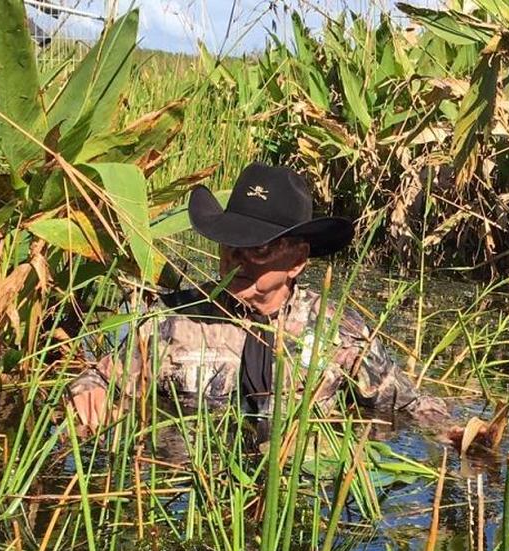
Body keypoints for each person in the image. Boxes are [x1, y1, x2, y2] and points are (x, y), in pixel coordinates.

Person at [68, 163, 452, 437]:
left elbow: (406, 407)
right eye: (230, 243)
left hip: (296, 506)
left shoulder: (339, 332)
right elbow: (101, 377)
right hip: (191, 504)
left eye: (259, 248)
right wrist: (91, 396)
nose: (238, 259)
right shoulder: (173, 320)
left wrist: (460, 434)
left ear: (298, 260)